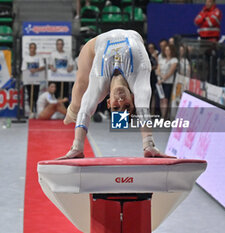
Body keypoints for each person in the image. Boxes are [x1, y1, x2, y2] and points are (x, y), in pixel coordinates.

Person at [59, 29, 172, 160]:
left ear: (108, 102)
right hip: (133, 34)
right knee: (81, 91)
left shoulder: (100, 85)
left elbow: (85, 110)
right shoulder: (140, 80)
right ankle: (71, 114)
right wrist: (148, 144)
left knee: (81, 91)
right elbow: (143, 110)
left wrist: (77, 147)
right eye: (127, 106)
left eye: (116, 107)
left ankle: (71, 113)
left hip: (97, 43)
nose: (121, 101)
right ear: (133, 99)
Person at [21, 42, 46, 117]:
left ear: (35, 49)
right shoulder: (26, 58)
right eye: (31, 48)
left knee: (35, 95)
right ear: (29, 49)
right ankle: (31, 111)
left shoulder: (39, 57)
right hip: (28, 80)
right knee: (29, 95)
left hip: (36, 80)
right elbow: (23, 68)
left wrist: (36, 69)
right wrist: (30, 70)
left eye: (33, 48)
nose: (32, 49)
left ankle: (35, 110)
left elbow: (42, 66)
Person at [155, 44, 178, 119]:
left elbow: (170, 72)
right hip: (160, 82)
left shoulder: (174, 60)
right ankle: (162, 115)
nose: (167, 51)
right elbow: (157, 70)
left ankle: (164, 116)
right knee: (161, 99)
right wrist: (161, 78)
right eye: (166, 50)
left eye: (168, 50)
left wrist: (162, 78)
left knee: (165, 100)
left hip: (168, 82)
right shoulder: (162, 59)